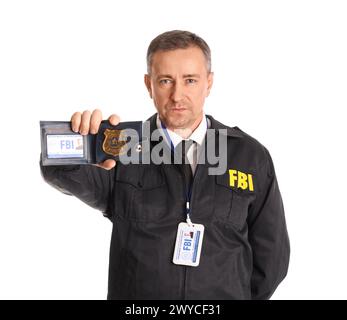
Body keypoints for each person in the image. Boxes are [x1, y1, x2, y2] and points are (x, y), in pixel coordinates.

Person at [40, 30, 290, 300]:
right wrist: (77, 140)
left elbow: (271, 257)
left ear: (209, 82)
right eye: (165, 81)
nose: (177, 95)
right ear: (149, 85)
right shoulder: (120, 147)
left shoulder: (249, 156)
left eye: (190, 80)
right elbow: (61, 172)